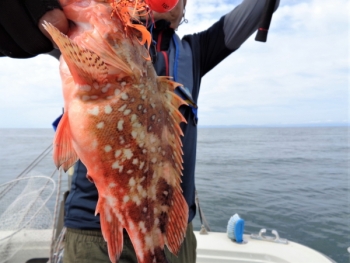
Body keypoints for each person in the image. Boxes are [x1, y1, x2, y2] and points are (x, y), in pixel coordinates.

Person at [0, 0, 279, 262]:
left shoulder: (197, 50)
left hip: (168, 230)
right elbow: (37, 26)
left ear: (183, 10)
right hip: (90, 228)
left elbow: (260, 7)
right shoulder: (99, 33)